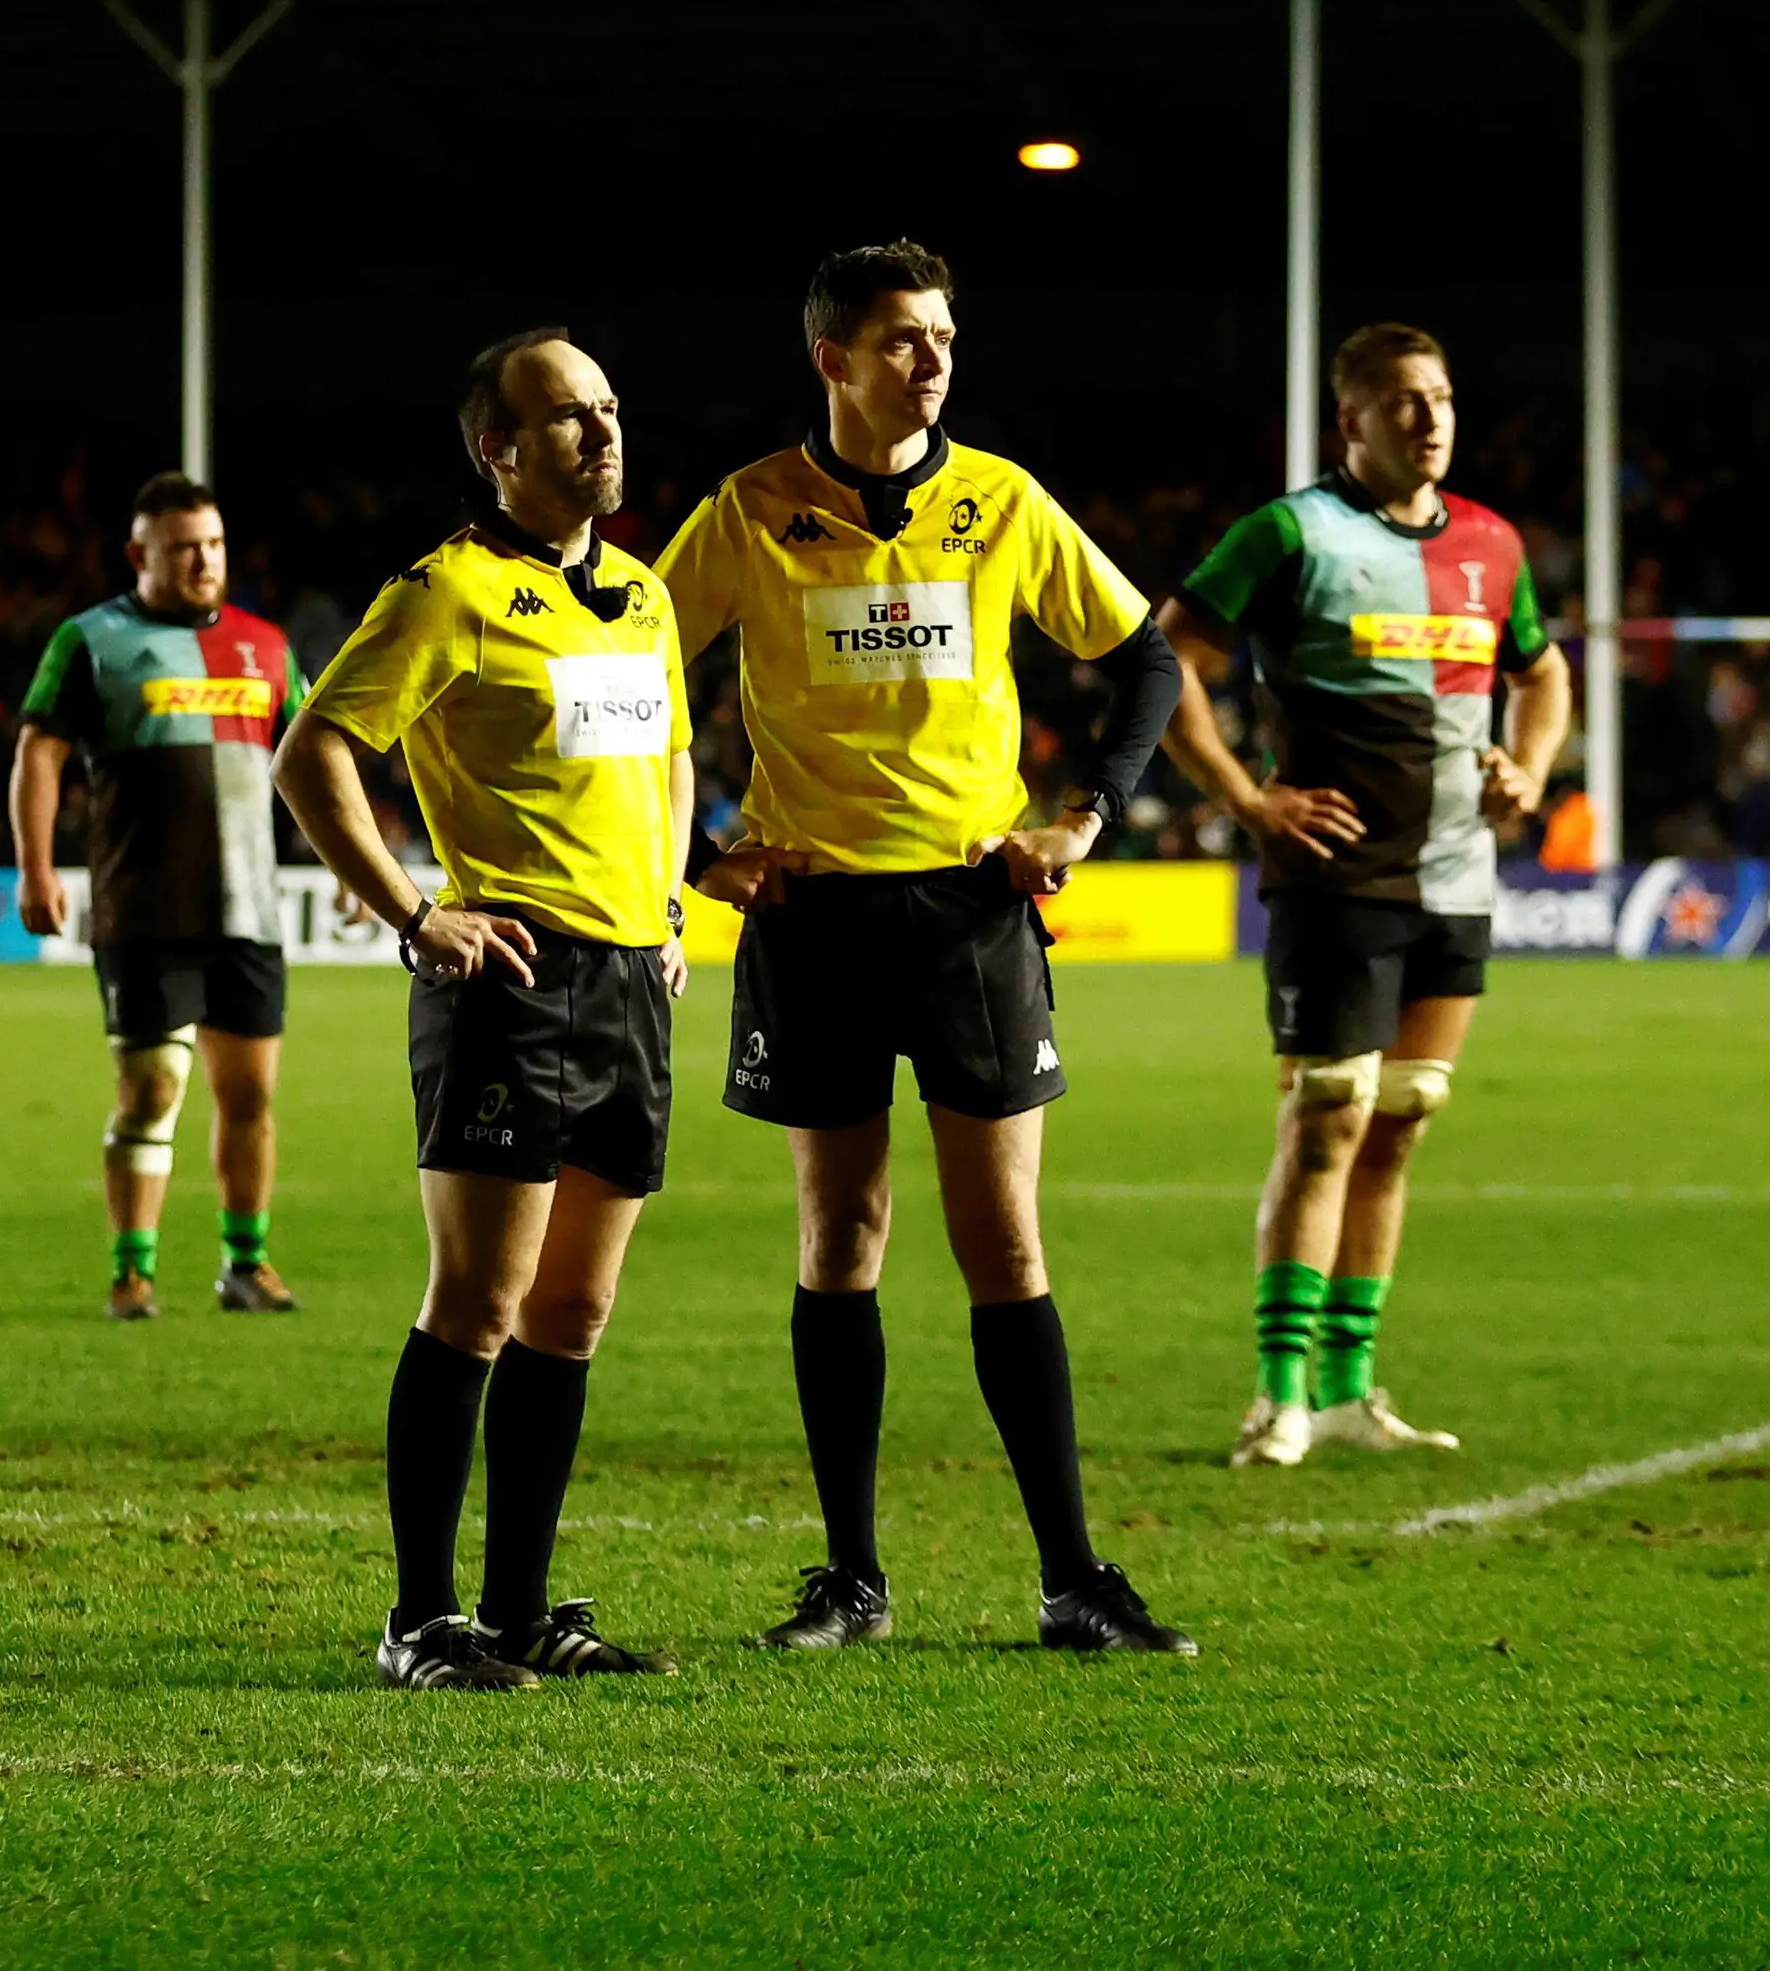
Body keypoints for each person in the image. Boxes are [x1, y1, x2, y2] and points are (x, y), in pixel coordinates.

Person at [656, 240, 1195, 1656]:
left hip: (970, 914)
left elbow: (1148, 656)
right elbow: (627, 666)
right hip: (811, 914)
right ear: (832, 358)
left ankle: (1074, 1576)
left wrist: (1085, 811)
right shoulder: (753, 509)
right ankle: (851, 1579)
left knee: (1003, 1239)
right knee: (841, 1235)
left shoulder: (1002, 501)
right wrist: (698, 851)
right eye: (904, 338)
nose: (934, 357)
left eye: (946, 334)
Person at [274, 329, 693, 1691]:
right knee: (481, 1300)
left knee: (572, 1313)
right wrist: (413, 910)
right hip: (510, 982)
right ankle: (418, 1618)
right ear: (496, 448)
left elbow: (679, 758)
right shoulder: (448, 590)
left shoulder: (641, 593)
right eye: (568, 417)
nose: (602, 434)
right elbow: (315, 753)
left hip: (632, 980)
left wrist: (672, 909)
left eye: (609, 410)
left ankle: (519, 1612)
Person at [1156, 322, 1568, 1468]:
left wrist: (1527, 768)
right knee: (1330, 1109)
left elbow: (1541, 673)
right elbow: (1165, 654)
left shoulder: (1492, 543)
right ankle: (1277, 1392)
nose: (1429, 417)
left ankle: (1348, 1387)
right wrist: (1246, 795)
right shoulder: (1293, 533)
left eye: (1439, 396)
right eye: (1402, 402)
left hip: (1455, 870)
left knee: (1404, 1115)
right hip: (1338, 874)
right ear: (1353, 421)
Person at [12, 472, 309, 1319]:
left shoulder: (265, 645)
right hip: (145, 912)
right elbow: (41, 752)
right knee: (151, 1092)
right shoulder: (92, 641)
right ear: (139, 554)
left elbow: (312, 763)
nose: (203, 561)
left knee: (249, 1096)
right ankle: (132, 1269)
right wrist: (36, 866)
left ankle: (245, 1264)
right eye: (183, 549)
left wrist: (353, 870)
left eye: (212, 545)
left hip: (248, 910)